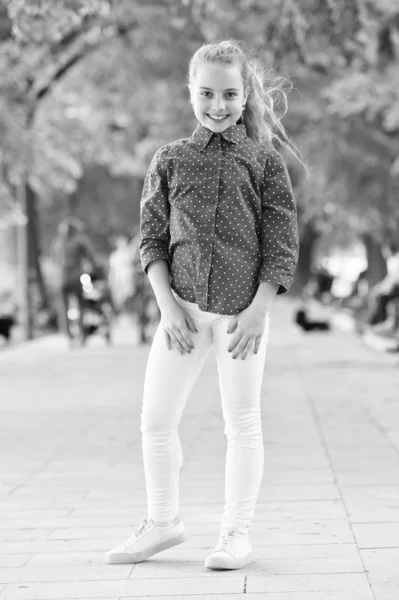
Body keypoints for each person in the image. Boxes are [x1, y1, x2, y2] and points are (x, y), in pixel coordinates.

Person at [106, 40, 300, 570]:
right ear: (190, 92)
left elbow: (281, 242)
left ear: (246, 96)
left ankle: (236, 534)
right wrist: (167, 307)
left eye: (230, 94)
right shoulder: (170, 159)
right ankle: (163, 523)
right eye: (208, 93)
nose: (219, 105)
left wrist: (261, 309)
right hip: (183, 312)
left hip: (242, 316)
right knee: (155, 419)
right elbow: (152, 239)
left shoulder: (263, 162)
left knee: (242, 422)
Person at [50, 217, 97, 340]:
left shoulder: (56, 244)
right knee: (80, 305)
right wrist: (93, 268)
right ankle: (81, 333)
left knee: (64, 307)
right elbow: (90, 257)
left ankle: (68, 335)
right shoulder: (78, 242)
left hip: (61, 278)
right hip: (76, 277)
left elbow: (54, 261)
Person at [367, 242, 399, 327]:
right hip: (394, 287)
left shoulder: (395, 260)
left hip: (396, 288)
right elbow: (389, 279)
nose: (383, 253)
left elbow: (393, 279)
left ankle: (379, 321)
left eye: (384, 250)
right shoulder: (391, 260)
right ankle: (375, 320)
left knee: (381, 298)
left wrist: (381, 288)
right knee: (376, 295)